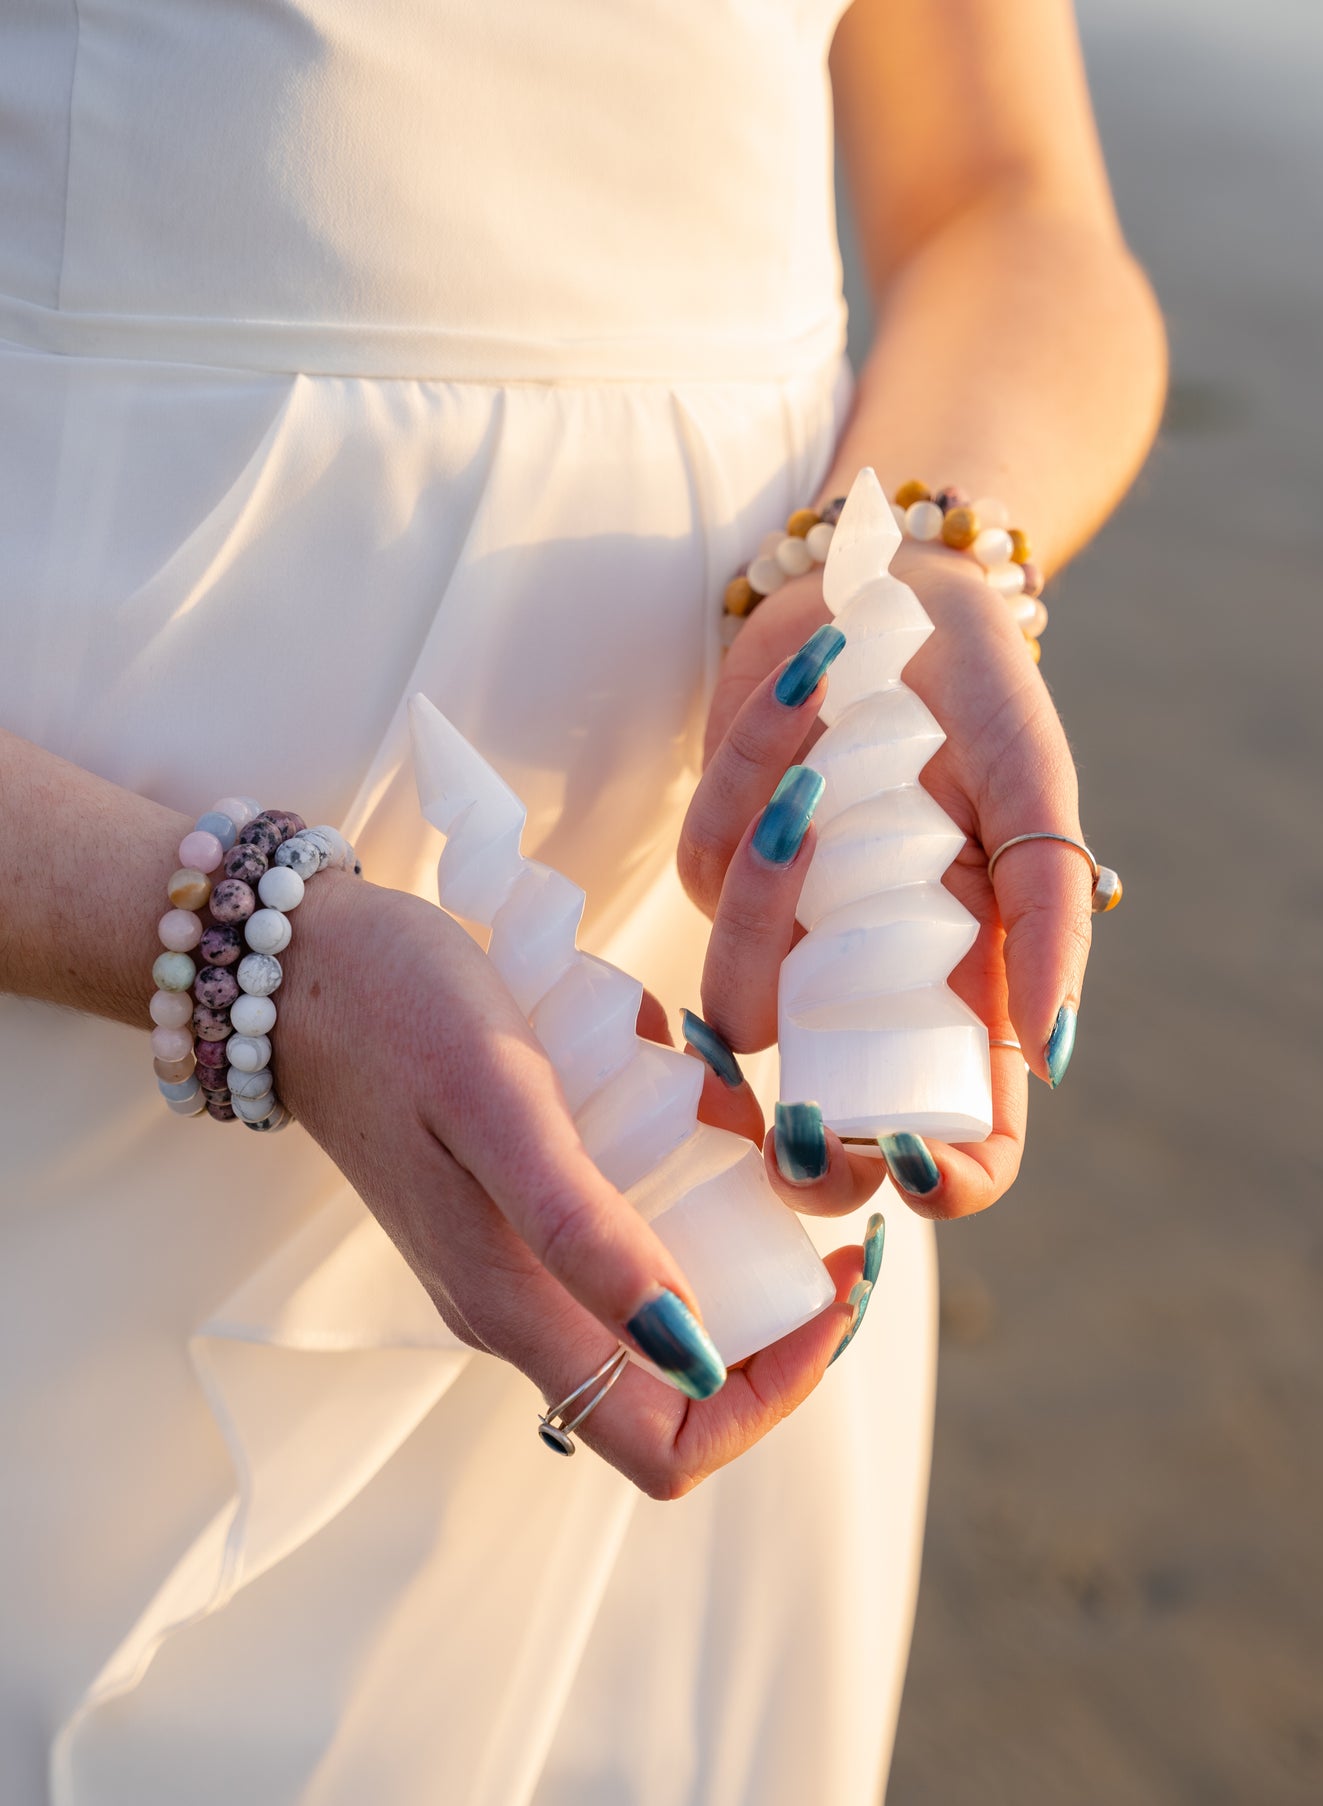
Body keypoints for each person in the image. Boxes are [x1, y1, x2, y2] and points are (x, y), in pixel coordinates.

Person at [0, 0, 1165, 1798]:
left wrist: (930, 549)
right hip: (70, 1015)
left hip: (719, 1045)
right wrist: (249, 959)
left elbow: (1009, 208)